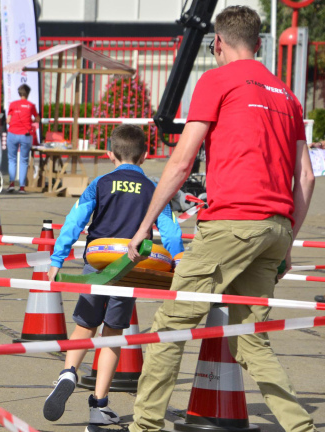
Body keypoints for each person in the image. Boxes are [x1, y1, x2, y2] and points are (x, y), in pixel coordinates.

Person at [125, 6, 316, 432]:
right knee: (251, 338)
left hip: (232, 223)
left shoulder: (216, 80)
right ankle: (300, 427)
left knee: (170, 327)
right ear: (259, 43)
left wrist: (143, 227)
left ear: (218, 43)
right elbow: (305, 177)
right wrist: (286, 242)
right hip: (276, 226)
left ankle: (145, 426)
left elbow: (181, 161)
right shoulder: (287, 94)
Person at [43, 125, 184, 427]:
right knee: (112, 334)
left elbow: (74, 221)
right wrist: (179, 259)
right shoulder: (153, 188)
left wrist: (57, 258)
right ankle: (99, 404)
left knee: (84, 326)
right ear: (145, 156)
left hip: (96, 261)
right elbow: (170, 228)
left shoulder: (100, 183)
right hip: (129, 268)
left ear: (109, 154)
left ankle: (68, 372)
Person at [6, 84, 39, 194]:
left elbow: (8, 120)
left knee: (12, 159)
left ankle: (11, 183)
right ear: (28, 93)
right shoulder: (31, 105)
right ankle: (21, 187)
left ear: (19, 93)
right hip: (26, 134)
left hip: (12, 133)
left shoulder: (13, 104)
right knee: (24, 160)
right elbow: (37, 119)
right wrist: (31, 121)